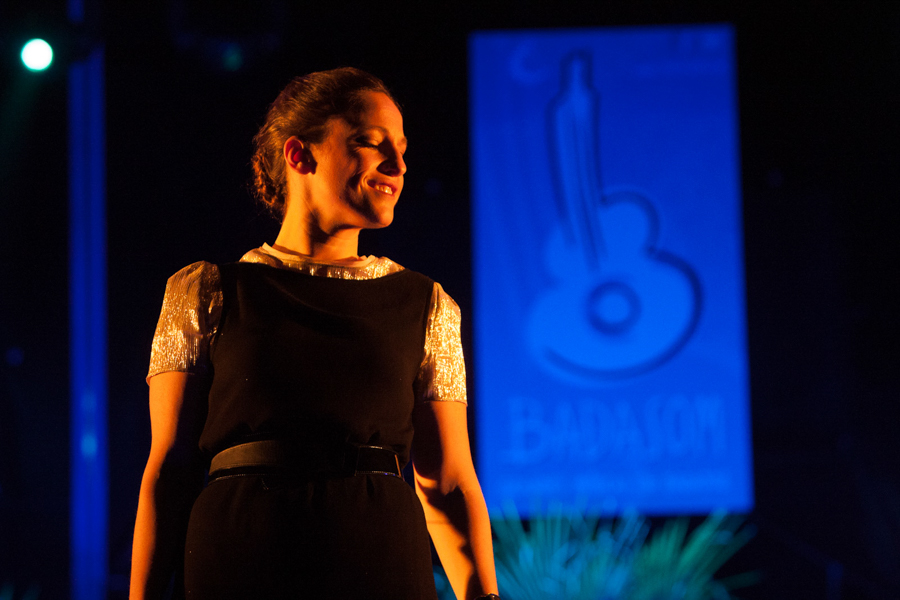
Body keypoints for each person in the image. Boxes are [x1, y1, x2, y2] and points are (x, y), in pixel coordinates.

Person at [130, 68, 500, 600]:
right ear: (300, 155)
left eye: (401, 149)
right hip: (238, 560)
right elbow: (169, 470)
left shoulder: (426, 304)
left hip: (379, 561)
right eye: (371, 144)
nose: (396, 165)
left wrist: (483, 595)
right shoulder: (207, 290)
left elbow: (446, 482)